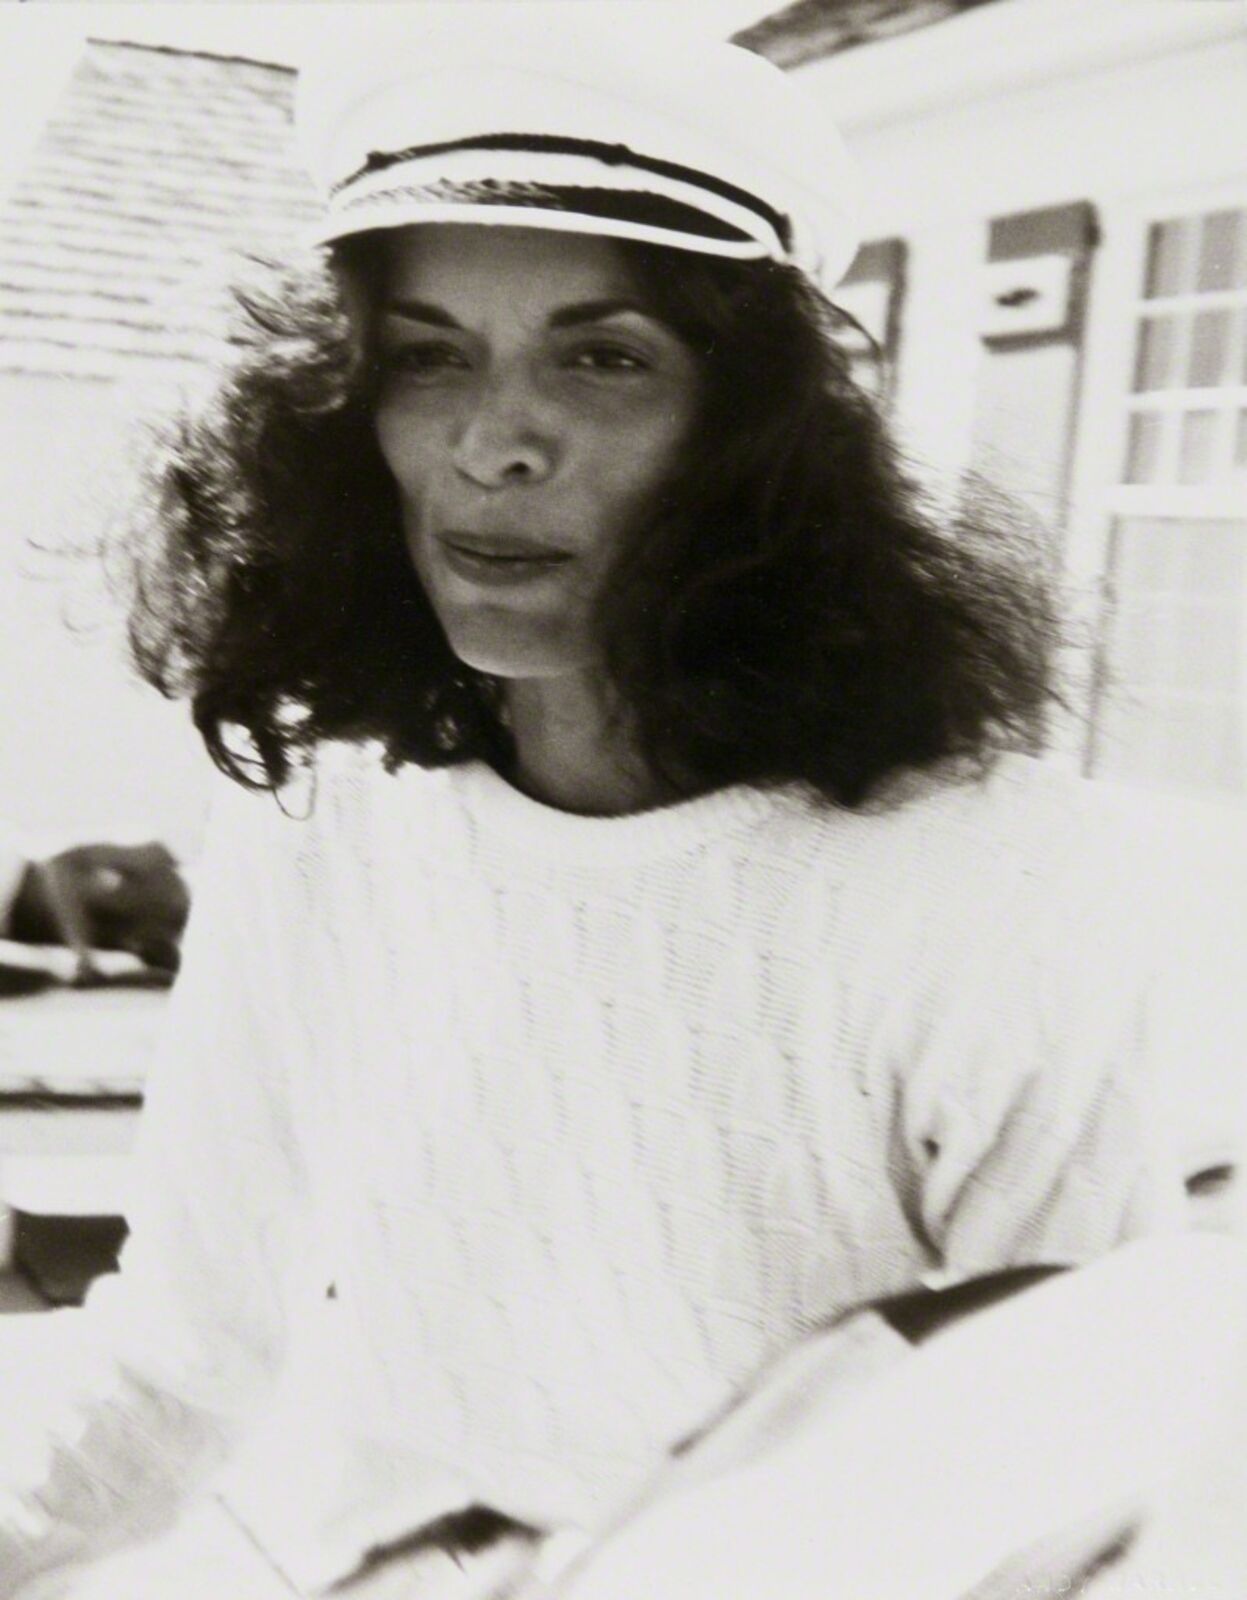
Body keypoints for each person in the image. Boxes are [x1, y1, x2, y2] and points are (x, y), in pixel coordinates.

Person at [0, 13, 1242, 1598]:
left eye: (602, 357)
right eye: (427, 356)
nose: (492, 442)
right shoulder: (324, 818)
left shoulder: (990, 882)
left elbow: (1058, 1489)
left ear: (749, 436)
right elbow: (183, 1364)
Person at [0, 828, 188, 977]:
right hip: (11, 881)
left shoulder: (168, 940)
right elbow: (58, 865)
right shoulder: (160, 869)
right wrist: (82, 953)